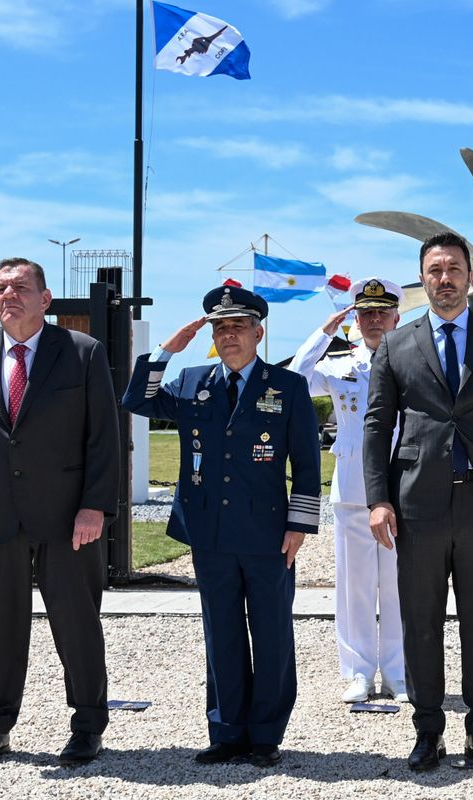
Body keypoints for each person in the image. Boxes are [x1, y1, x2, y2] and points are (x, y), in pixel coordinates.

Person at [121, 283, 321, 767]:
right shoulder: (192, 382)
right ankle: (227, 731)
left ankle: (267, 734)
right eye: (220, 327)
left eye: (237, 326)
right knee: (222, 633)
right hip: (209, 533)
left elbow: (308, 464)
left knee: (271, 633)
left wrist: (299, 525)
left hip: (269, 534)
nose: (228, 335)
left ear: (258, 332)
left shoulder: (286, 385)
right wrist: (168, 350)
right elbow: (136, 401)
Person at [0, 257, 120, 769]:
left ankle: (87, 726)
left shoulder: (81, 353)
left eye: (20, 286)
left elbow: (104, 437)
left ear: (46, 298)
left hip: (68, 519)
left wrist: (95, 506)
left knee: (77, 622)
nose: (8, 295)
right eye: (0, 288)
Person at [363, 231, 473, 772]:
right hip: (418, 506)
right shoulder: (396, 343)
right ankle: (427, 731)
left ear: (470, 275)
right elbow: (377, 426)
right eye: (435, 270)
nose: (445, 279)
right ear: (424, 278)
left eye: (454, 269)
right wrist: (378, 499)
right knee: (420, 621)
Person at [288, 277, 406, 704]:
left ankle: (397, 671)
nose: (374, 320)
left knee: (398, 586)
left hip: (401, 488)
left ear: (397, 316)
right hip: (354, 487)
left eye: (382, 312)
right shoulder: (339, 364)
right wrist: (322, 334)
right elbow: (292, 381)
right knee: (355, 587)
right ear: (354, 319)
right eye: (365, 313)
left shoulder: (411, 361)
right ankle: (359, 672)